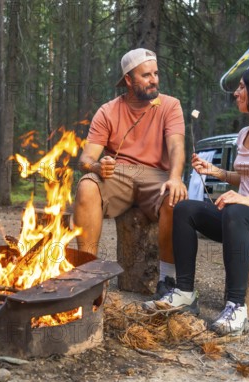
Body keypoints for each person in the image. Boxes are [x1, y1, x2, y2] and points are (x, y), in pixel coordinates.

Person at [144, 65, 249, 336]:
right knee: (184, 208)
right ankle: (184, 292)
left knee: (236, 211)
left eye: (242, 87)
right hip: (241, 218)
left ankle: (236, 308)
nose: (237, 93)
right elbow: (247, 178)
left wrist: (248, 201)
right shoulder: (244, 134)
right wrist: (215, 172)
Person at [73, 48, 187, 299]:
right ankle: (88, 275)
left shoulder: (170, 106)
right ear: (128, 80)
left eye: (156, 73)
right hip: (118, 175)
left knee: (174, 197)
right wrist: (96, 167)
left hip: (156, 175)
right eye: (146, 75)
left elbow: (177, 146)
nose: (154, 79)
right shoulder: (108, 111)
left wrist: (175, 177)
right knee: (86, 186)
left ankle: (167, 279)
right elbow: (86, 159)